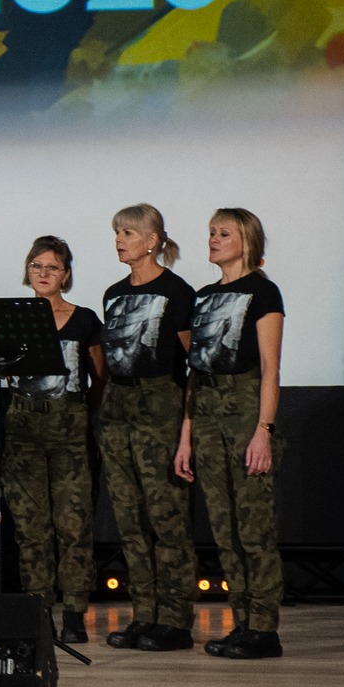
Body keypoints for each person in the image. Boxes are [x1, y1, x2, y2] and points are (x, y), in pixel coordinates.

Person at [176, 207, 286, 660]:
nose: (214, 239)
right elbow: (195, 370)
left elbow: (270, 368)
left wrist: (263, 431)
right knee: (224, 529)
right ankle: (242, 623)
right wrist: (186, 435)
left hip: (244, 412)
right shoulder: (203, 296)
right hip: (206, 414)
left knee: (254, 528)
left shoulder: (263, 291)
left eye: (224, 233)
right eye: (211, 232)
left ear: (247, 241)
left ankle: (264, 628)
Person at [98, 204, 197, 651]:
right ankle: (145, 613)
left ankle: (175, 618)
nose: (120, 240)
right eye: (118, 232)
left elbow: (194, 362)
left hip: (160, 404)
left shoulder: (177, 292)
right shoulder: (114, 293)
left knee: (166, 516)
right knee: (130, 518)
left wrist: (186, 426)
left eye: (129, 233)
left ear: (152, 240)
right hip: (117, 407)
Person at [2, 236, 105, 643]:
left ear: (66, 274)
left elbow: (100, 378)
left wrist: (77, 413)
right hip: (23, 430)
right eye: (36, 265)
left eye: (52, 267)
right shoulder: (12, 317)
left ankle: (75, 613)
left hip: (70, 431)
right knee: (31, 526)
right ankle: (39, 609)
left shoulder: (84, 319)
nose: (43, 273)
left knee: (73, 523)